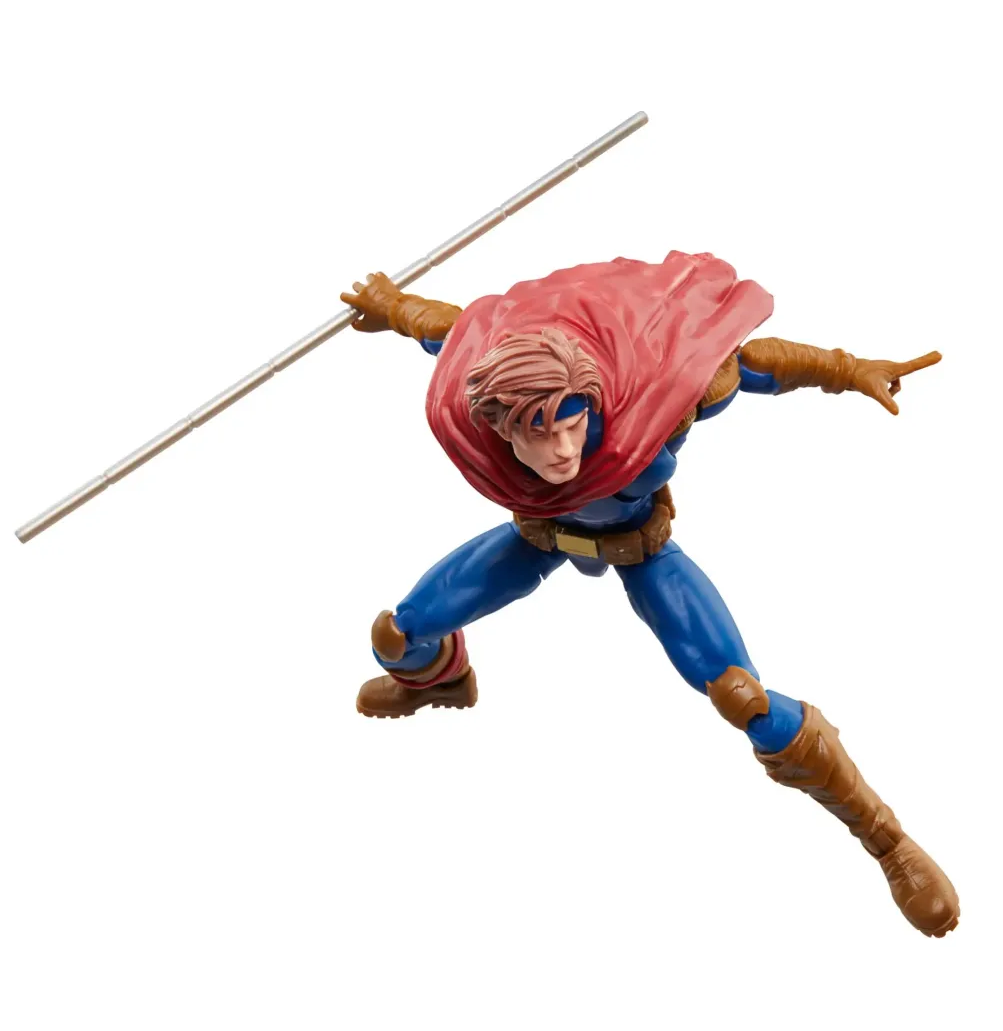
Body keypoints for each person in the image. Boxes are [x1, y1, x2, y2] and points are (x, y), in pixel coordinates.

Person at [340, 250, 957, 937]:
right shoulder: (481, 394)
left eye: (572, 424)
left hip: (641, 550)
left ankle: (887, 841)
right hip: (539, 536)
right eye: (538, 433)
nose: (561, 450)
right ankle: (443, 682)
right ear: (502, 424)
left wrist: (849, 368)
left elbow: (755, 363)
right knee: (397, 635)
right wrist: (390, 304)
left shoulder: (657, 402)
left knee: (742, 697)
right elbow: (447, 329)